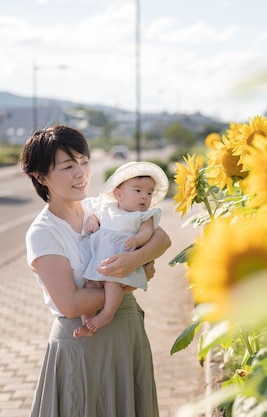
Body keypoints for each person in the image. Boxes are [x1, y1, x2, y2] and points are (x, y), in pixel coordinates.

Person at [21, 125, 170, 417]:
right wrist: (128, 281)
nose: (81, 173)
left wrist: (133, 260)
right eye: (68, 165)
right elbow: (71, 303)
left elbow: (161, 238)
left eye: (84, 161)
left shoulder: (101, 208)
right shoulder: (43, 233)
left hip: (127, 337)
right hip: (81, 343)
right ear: (41, 177)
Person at [77, 161, 169, 337]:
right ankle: (86, 323)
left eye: (149, 193)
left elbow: (147, 232)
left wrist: (136, 240)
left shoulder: (143, 216)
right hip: (99, 261)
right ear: (118, 194)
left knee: (112, 283)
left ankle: (106, 315)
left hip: (120, 262)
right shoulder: (107, 208)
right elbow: (96, 216)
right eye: (138, 191)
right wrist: (92, 221)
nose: (144, 196)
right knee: (89, 285)